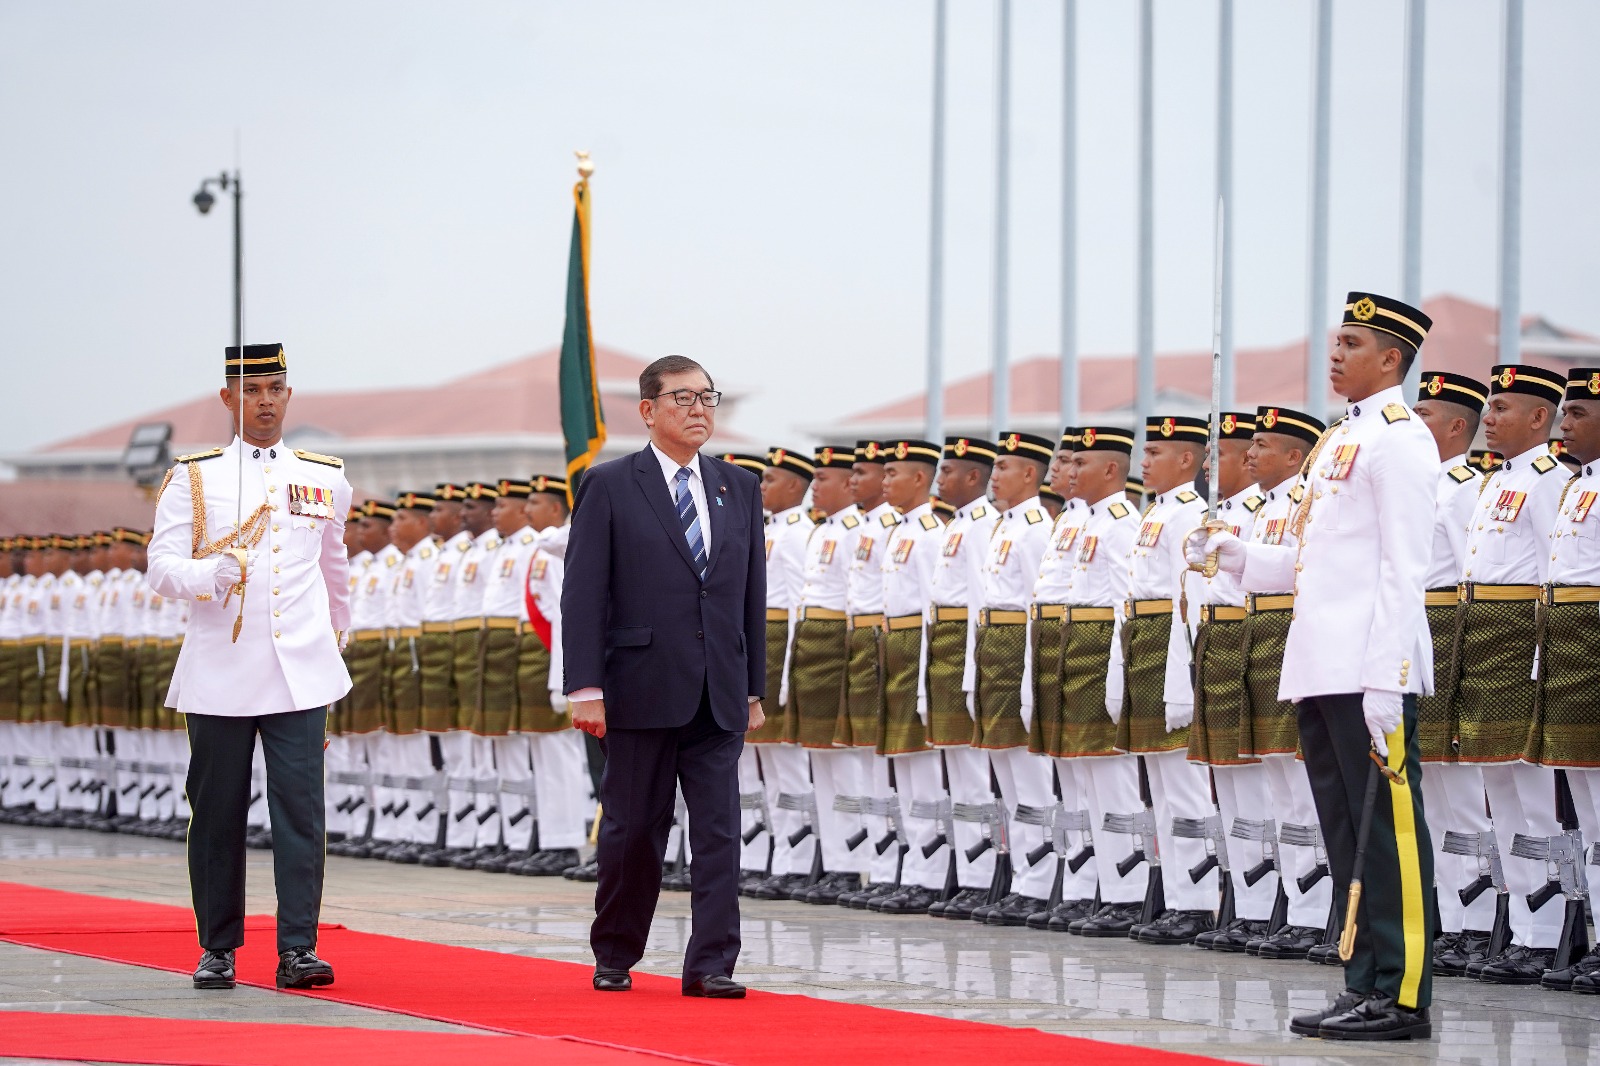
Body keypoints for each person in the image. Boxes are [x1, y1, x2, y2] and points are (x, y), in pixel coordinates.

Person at [1189, 292, 1437, 1040]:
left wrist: (1389, 676)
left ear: (1390, 359)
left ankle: (1402, 995)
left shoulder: (1401, 439)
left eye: (1352, 343)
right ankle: (1363, 980)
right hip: (1320, 664)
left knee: (1388, 834)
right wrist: (1242, 557)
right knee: (1345, 834)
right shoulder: (1339, 439)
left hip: (1367, 668)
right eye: (1335, 341)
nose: (1335, 354)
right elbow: (1316, 562)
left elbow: (1404, 568)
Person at [147, 342, 352, 992]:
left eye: (274, 388)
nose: (264, 401)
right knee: (216, 813)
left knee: (301, 812)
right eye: (251, 389)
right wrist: (212, 574)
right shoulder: (196, 476)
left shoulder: (321, 477)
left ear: (289, 396)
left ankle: (297, 947)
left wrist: (335, 642)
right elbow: (161, 567)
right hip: (220, 671)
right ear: (228, 399)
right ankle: (218, 947)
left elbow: (333, 566)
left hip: (299, 673)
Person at [563, 354, 765, 999]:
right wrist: (585, 688)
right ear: (647, 410)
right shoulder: (611, 484)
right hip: (640, 685)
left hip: (719, 689)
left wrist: (754, 685)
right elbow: (584, 593)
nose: (698, 408)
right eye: (682, 398)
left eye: (707, 397)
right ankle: (616, 950)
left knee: (718, 831)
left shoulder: (739, 486)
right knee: (632, 829)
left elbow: (749, 596)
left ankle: (712, 964)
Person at [1447, 363, 1569, 985]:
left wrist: (1541, 657)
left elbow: (1556, 573)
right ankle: (1522, 927)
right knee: (1502, 795)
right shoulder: (1497, 481)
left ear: (1539, 418)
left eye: (1500, 411)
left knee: (1535, 797)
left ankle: (1550, 932)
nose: (1487, 421)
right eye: (1488, 410)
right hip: (1482, 640)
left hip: (1522, 643)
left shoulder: (1550, 481)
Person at [1233, 405, 1331, 961]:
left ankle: (1321, 911)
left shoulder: (1306, 500)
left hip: (1291, 639)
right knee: (1277, 780)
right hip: (1256, 640)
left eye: (1262, 445)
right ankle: (1297, 907)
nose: (1249, 453)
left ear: (1295, 456)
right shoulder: (1256, 507)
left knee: (1303, 781)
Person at [1410, 371, 1496, 977]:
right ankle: (1448, 919)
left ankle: (1483, 920)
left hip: (1454, 628)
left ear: (1458, 427)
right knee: (1432, 786)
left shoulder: (1464, 486)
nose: (1415, 422)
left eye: (1427, 413)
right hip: (1418, 628)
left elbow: (1474, 576)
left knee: (1463, 792)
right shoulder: (1421, 483)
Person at [1531, 368, 1600, 993]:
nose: (1564, 422)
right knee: (1585, 797)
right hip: (1565, 644)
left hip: (1594, 641)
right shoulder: (1581, 484)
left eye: (1577, 412)